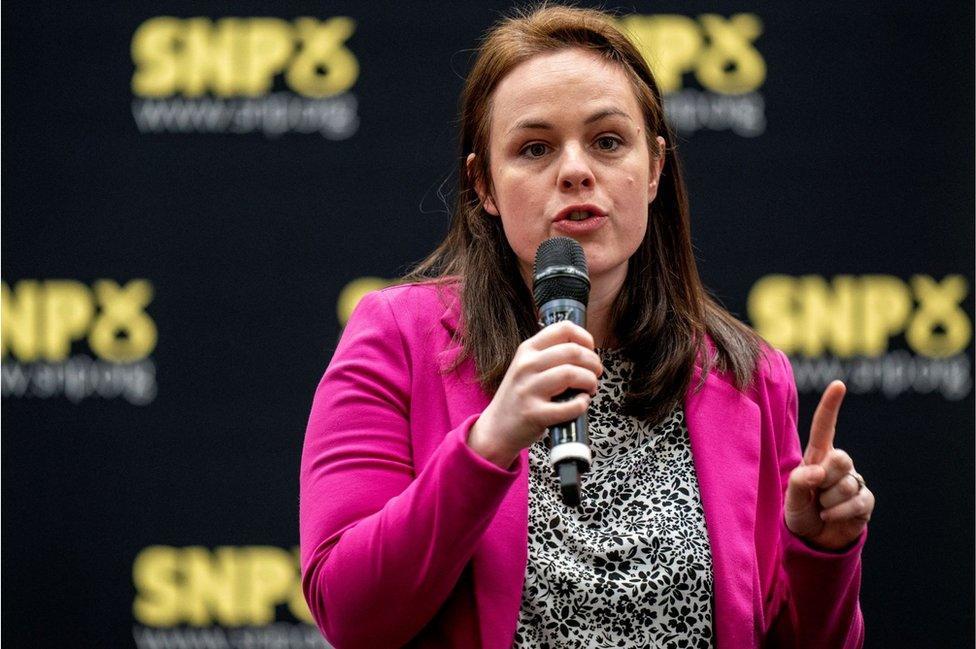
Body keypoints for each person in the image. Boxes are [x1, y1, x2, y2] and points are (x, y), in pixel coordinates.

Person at [300, 5, 875, 648]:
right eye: (535, 148)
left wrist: (822, 554)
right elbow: (350, 615)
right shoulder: (398, 338)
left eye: (607, 141)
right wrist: (488, 444)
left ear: (653, 169)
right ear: (483, 184)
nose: (575, 170)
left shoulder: (746, 372)